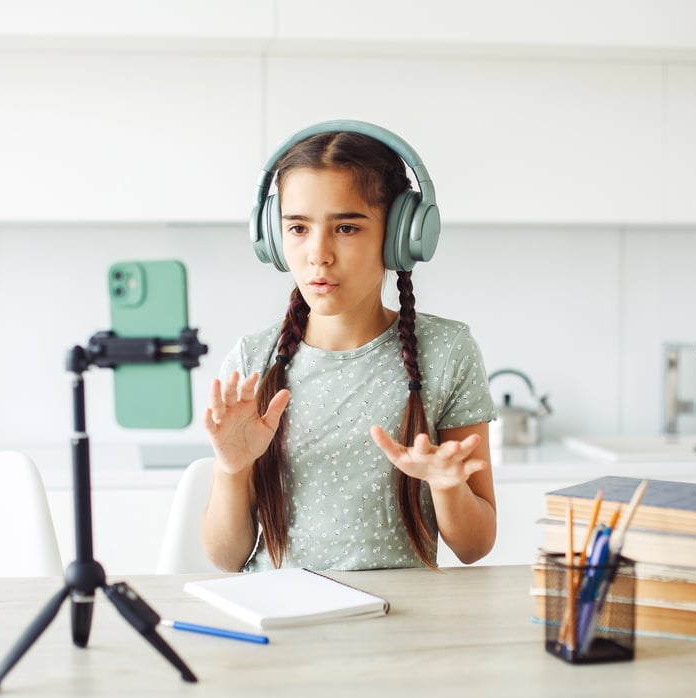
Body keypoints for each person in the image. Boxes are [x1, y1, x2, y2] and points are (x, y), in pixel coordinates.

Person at [201, 121, 497, 572]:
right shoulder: (252, 361)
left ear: (400, 235)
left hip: (400, 624)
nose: (318, 254)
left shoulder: (447, 351)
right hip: (284, 619)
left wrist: (447, 486)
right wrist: (232, 467)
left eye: (346, 228)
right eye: (298, 228)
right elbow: (226, 558)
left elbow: (474, 547)